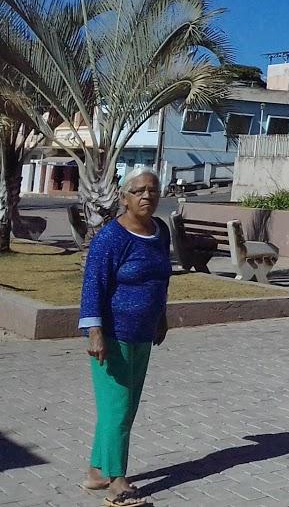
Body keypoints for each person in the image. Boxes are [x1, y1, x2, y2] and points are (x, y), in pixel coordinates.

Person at [78, 170, 171, 507]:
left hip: (144, 334)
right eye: (139, 191)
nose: (147, 196)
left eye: (153, 190)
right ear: (124, 197)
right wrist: (95, 332)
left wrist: (162, 316)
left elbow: (162, 279)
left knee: (124, 409)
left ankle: (96, 472)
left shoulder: (160, 232)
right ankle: (117, 484)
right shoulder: (111, 239)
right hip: (112, 336)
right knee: (116, 409)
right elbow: (93, 286)